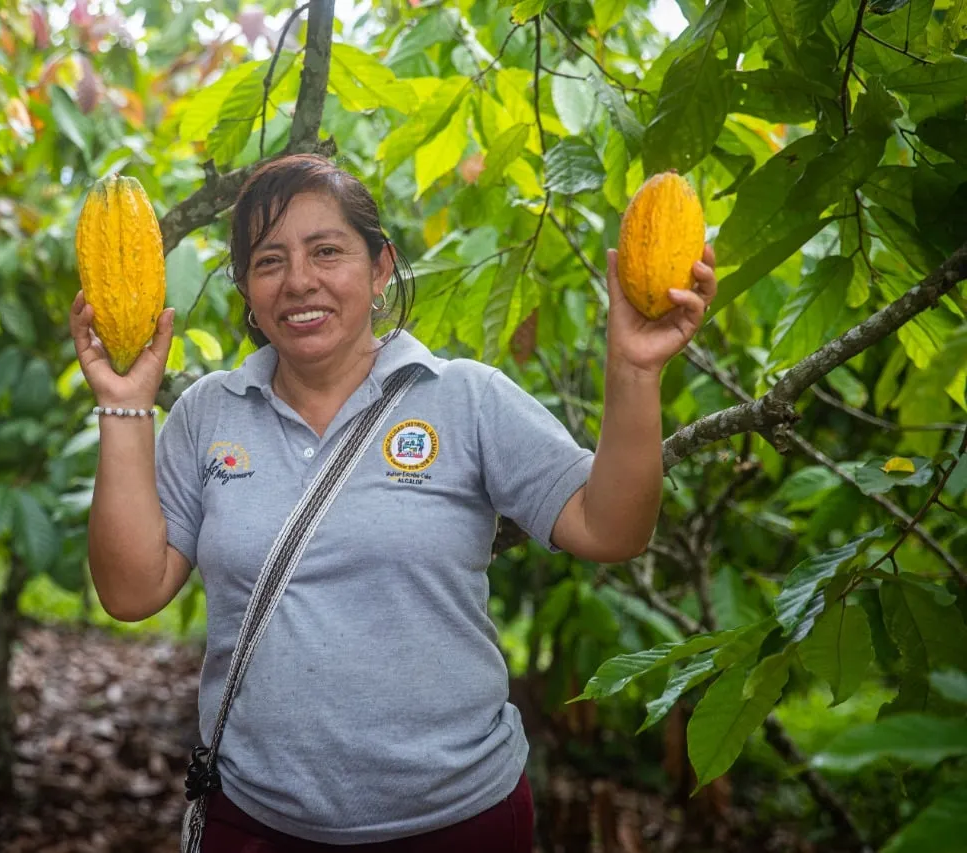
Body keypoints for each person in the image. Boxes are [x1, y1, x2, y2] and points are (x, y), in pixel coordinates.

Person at [69, 153, 718, 852]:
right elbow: (131, 592)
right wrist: (124, 403)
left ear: (381, 268)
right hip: (256, 822)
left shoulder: (465, 398)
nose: (300, 281)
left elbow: (611, 527)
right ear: (247, 291)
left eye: (327, 251)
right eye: (268, 261)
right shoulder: (208, 413)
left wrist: (636, 368)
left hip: (457, 820)